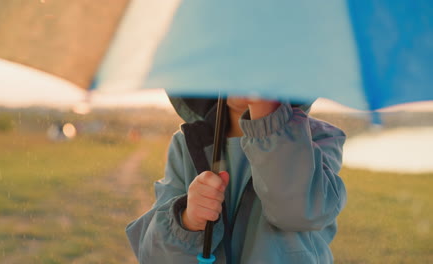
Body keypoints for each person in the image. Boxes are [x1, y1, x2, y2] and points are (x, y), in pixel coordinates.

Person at [126, 97, 347, 263]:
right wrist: (188, 220)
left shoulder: (316, 139)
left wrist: (267, 117)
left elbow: (297, 211)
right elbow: (154, 255)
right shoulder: (187, 144)